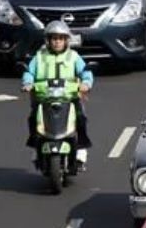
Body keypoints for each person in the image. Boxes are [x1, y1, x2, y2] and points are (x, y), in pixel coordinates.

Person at [21, 21, 94, 168]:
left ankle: (80, 149)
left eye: (61, 38)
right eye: (54, 38)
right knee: (33, 118)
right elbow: (29, 72)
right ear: (48, 40)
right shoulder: (39, 57)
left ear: (66, 40)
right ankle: (36, 146)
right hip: (43, 98)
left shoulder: (73, 57)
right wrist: (28, 83)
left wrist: (86, 83)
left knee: (80, 118)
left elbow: (85, 71)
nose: (57, 42)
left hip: (69, 97)